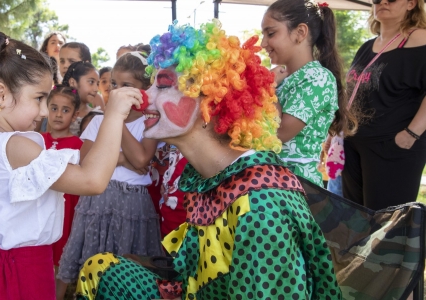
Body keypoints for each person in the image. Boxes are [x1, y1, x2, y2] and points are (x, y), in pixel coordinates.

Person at [74, 20, 341, 300]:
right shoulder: (210, 174)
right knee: (100, 270)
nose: (143, 98)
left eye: (162, 86)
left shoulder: (261, 206)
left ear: (211, 103)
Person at [0, 32, 142, 299]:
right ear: (0, 95)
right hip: (16, 274)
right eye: (38, 98)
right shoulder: (14, 146)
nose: (44, 112)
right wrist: (112, 115)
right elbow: (92, 180)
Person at [56, 50, 163, 300]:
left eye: (127, 85)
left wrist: (118, 120)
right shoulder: (97, 121)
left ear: (144, 88)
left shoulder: (150, 122)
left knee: (127, 261)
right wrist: (124, 157)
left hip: (134, 204)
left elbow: (141, 159)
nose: (117, 91)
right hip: (98, 200)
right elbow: (87, 160)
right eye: (114, 84)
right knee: (89, 253)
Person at [342, 0, 426, 210]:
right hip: (354, 145)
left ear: (411, 4)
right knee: (355, 224)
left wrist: (411, 134)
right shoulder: (366, 47)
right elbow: (352, 93)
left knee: (384, 228)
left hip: (391, 149)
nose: (383, 2)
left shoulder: (420, 40)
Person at [261, 0, 355, 186]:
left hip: (293, 188)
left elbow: (280, 133)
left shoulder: (318, 79)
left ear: (300, 32)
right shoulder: (282, 79)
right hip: (267, 181)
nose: (263, 43)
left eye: (270, 33)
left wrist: (267, 89)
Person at [42, 85, 84, 268]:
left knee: (62, 245)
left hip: (67, 204)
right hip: (42, 201)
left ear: (75, 115)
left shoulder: (77, 145)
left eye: (65, 110)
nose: (58, 114)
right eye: (54, 108)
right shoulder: (37, 140)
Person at [61, 61, 102, 136]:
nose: (96, 89)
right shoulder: (58, 112)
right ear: (73, 82)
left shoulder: (96, 116)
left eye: (97, 84)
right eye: (91, 82)